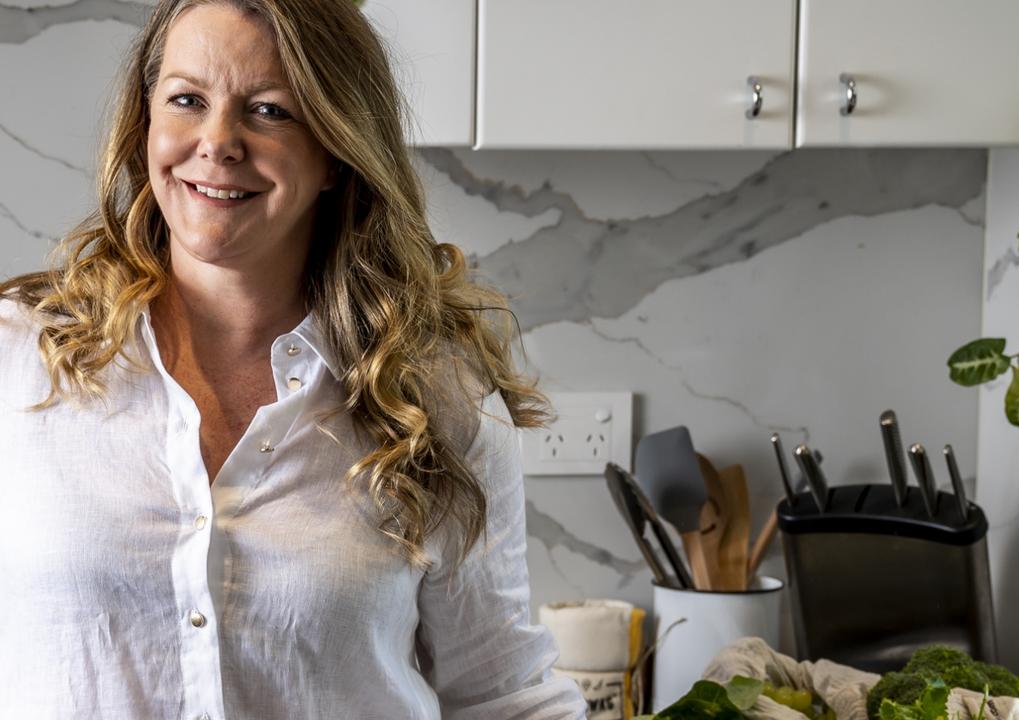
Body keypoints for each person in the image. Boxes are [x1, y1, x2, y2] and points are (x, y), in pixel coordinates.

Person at [0, 0, 587, 717]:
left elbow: (503, 693)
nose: (217, 141)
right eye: (187, 100)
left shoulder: (434, 396)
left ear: (337, 152)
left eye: (270, 112)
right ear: (146, 123)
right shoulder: (20, 357)